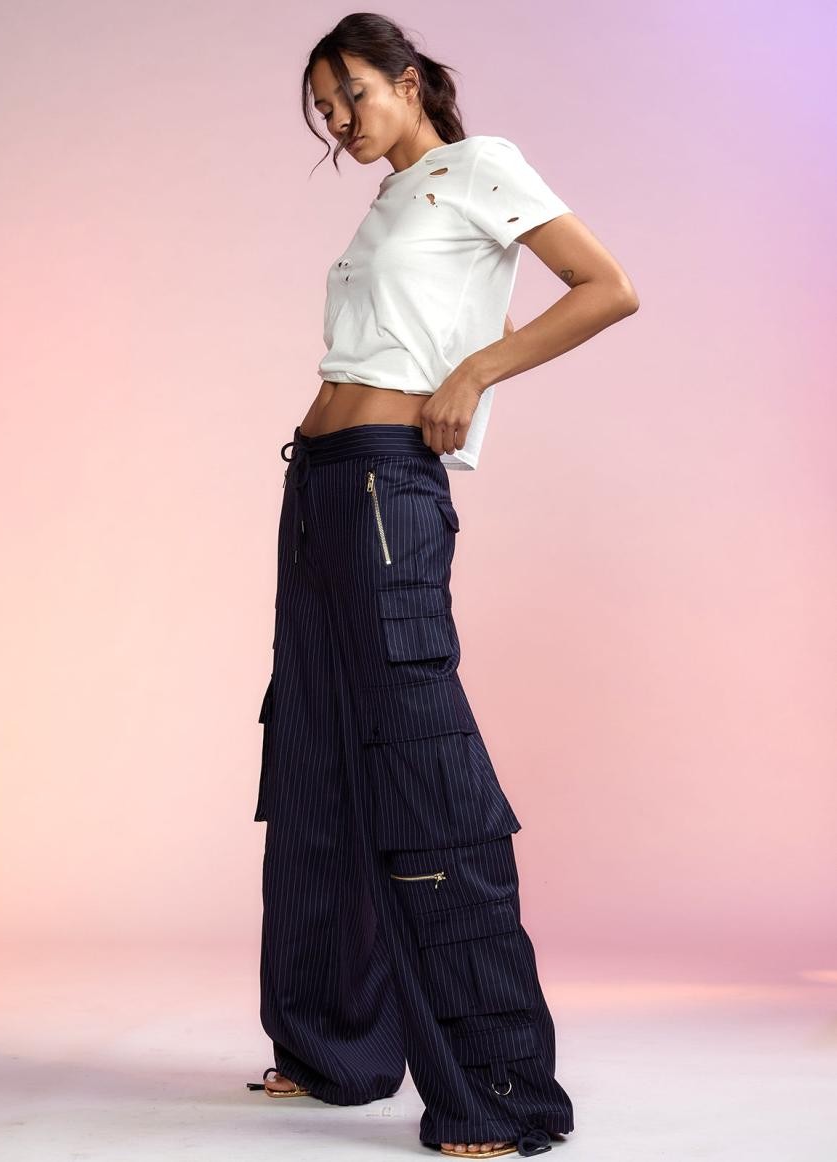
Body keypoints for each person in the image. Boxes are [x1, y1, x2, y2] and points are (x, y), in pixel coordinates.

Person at [246, 13, 639, 1159]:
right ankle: (334, 1044)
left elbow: (604, 286)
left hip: (383, 487)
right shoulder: (389, 200)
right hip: (320, 488)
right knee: (314, 752)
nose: (340, 122)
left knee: (421, 764)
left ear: (408, 81)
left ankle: (499, 1088)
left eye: (352, 96)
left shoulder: (479, 166)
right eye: (325, 109)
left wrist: (475, 372)